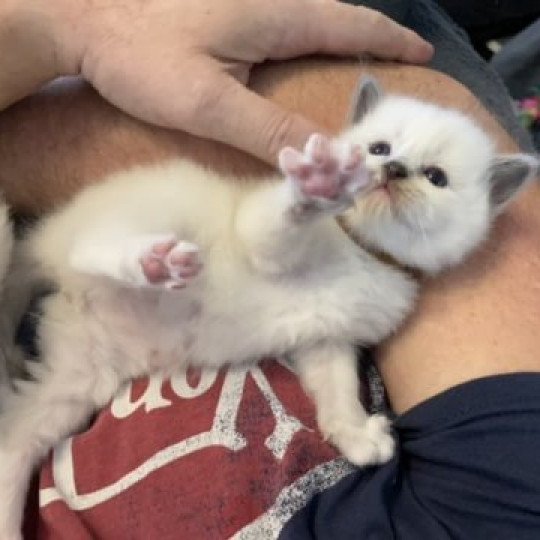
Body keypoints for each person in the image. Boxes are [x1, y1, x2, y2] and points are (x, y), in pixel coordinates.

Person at [0, 0, 539, 538]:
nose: (393, 170)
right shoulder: (325, 224)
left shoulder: (390, 295)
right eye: (378, 147)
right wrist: (303, 203)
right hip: (144, 242)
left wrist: (344, 420)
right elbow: (265, 246)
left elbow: (324, 339)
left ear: (488, 205)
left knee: (45, 413)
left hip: (140, 330)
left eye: (437, 178)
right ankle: (114, 252)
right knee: (182, 203)